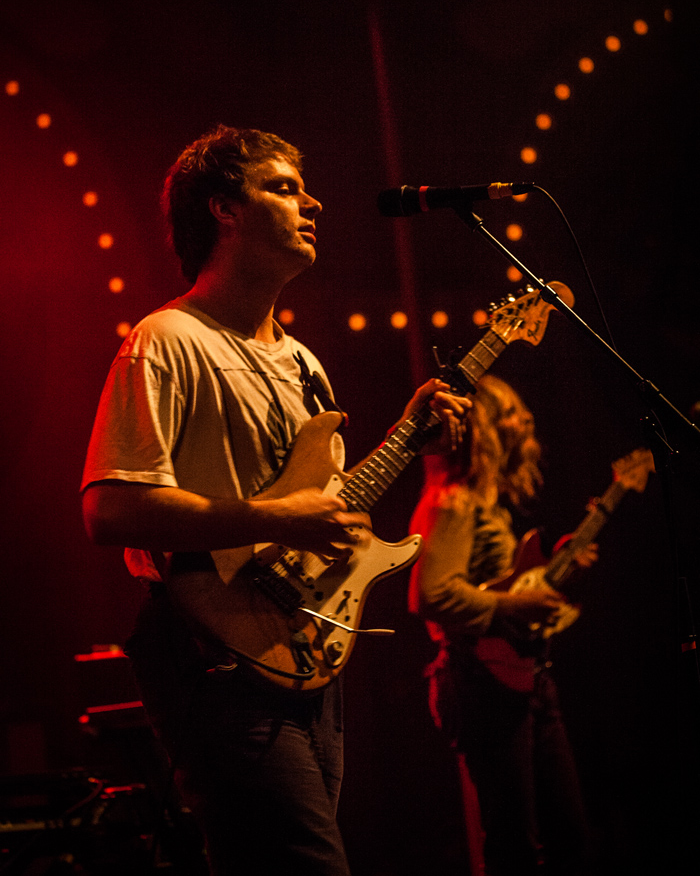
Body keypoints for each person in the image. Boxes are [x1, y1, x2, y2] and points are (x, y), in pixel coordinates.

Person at [81, 124, 469, 876]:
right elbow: (109, 509)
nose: (312, 201)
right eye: (284, 187)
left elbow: (321, 516)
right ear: (224, 208)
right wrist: (273, 518)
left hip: (304, 652)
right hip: (213, 658)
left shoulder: (302, 363)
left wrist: (404, 440)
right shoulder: (168, 339)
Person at [408, 374, 595, 876]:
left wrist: (547, 576)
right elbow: (432, 593)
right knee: (515, 845)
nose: (526, 420)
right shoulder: (454, 500)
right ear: (484, 428)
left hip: (523, 676)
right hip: (481, 681)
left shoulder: (485, 500)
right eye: (510, 413)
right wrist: (516, 607)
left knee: (567, 837)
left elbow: (496, 584)